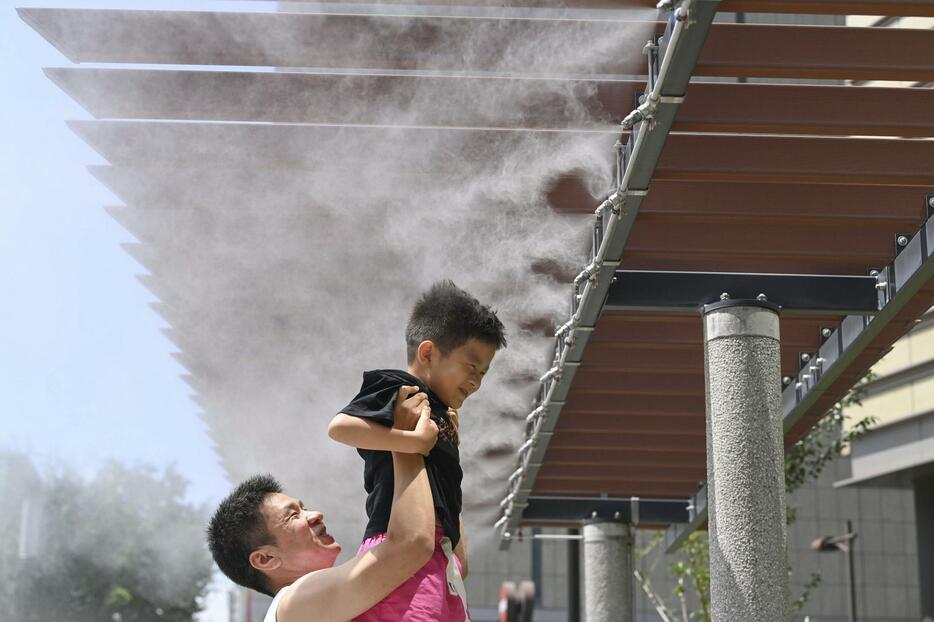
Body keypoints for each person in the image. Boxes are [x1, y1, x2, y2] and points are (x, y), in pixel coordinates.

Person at [328, 280, 507, 621]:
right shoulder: (399, 388)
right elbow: (340, 427)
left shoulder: (442, 415)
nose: (477, 381)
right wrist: (411, 442)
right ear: (427, 353)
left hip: (438, 560)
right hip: (399, 548)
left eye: (484, 372)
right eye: (471, 367)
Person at [207, 388, 439, 622]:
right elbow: (412, 544)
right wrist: (405, 437)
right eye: (292, 516)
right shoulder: (294, 604)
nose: (315, 514)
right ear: (265, 559)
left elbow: (451, 565)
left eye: (303, 508)